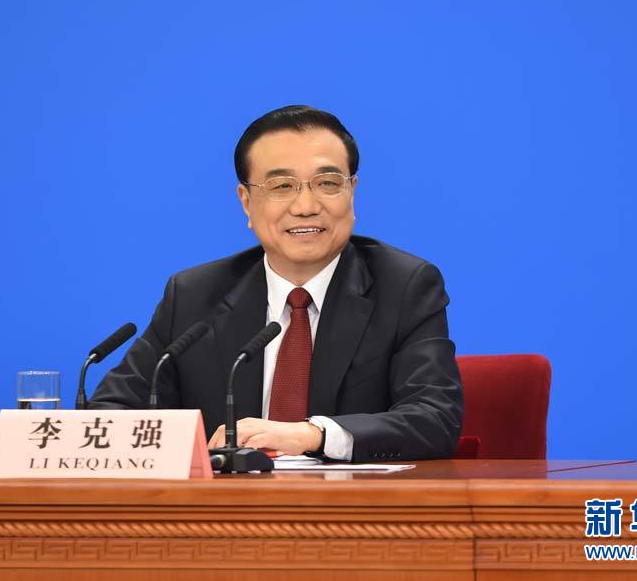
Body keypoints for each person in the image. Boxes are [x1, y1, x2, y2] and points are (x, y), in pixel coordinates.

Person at [90, 105, 463, 461]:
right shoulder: (195, 296)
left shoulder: (403, 287)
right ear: (246, 201)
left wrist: (312, 435)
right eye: (282, 186)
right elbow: (109, 414)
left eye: (327, 183)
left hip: (351, 504)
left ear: (352, 191)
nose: (305, 206)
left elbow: (434, 419)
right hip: (224, 504)